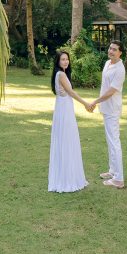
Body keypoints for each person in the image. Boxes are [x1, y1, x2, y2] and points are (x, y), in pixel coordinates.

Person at [48, 50, 90, 193]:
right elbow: (71, 93)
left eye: (67, 59)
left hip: (63, 109)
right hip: (64, 112)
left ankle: (65, 176)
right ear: (58, 62)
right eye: (63, 59)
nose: (66, 61)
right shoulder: (61, 74)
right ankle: (67, 179)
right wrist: (85, 103)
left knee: (65, 141)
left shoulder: (59, 74)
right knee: (67, 141)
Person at [86, 39, 126, 189]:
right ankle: (113, 171)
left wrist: (95, 101)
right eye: (110, 48)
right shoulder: (107, 63)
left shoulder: (120, 70)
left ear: (120, 52)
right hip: (106, 108)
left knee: (114, 142)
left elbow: (110, 92)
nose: (111, 51)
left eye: (115, 49)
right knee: (110, 141)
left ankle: (119, 179)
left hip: (112, 109)